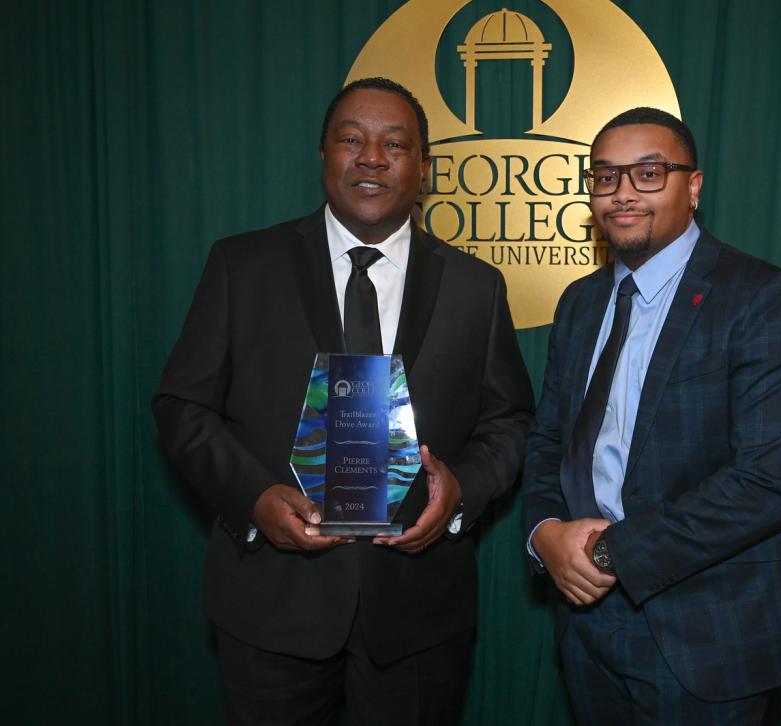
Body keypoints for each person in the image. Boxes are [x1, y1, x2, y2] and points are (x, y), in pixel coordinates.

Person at [153, 77, 533, 726]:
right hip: (271, 603)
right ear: (323, 155)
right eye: (351, 140)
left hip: (417, 613)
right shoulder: (242, 266)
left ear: (425, 168)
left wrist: (462, 491)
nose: (372, 158)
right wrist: (253, 498)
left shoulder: (478, 286)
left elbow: (510, 420)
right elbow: (182, 406)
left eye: (395, 144)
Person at [522, 107, 781, 725]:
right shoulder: (580, 303)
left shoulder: (760, 296)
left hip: (712, 628)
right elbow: (548, 443)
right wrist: (545, 535)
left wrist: (612, 553)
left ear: (693, 186)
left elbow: (769, 481)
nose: (624, 193)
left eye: (649, 172)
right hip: (586, 627)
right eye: (605, 177)